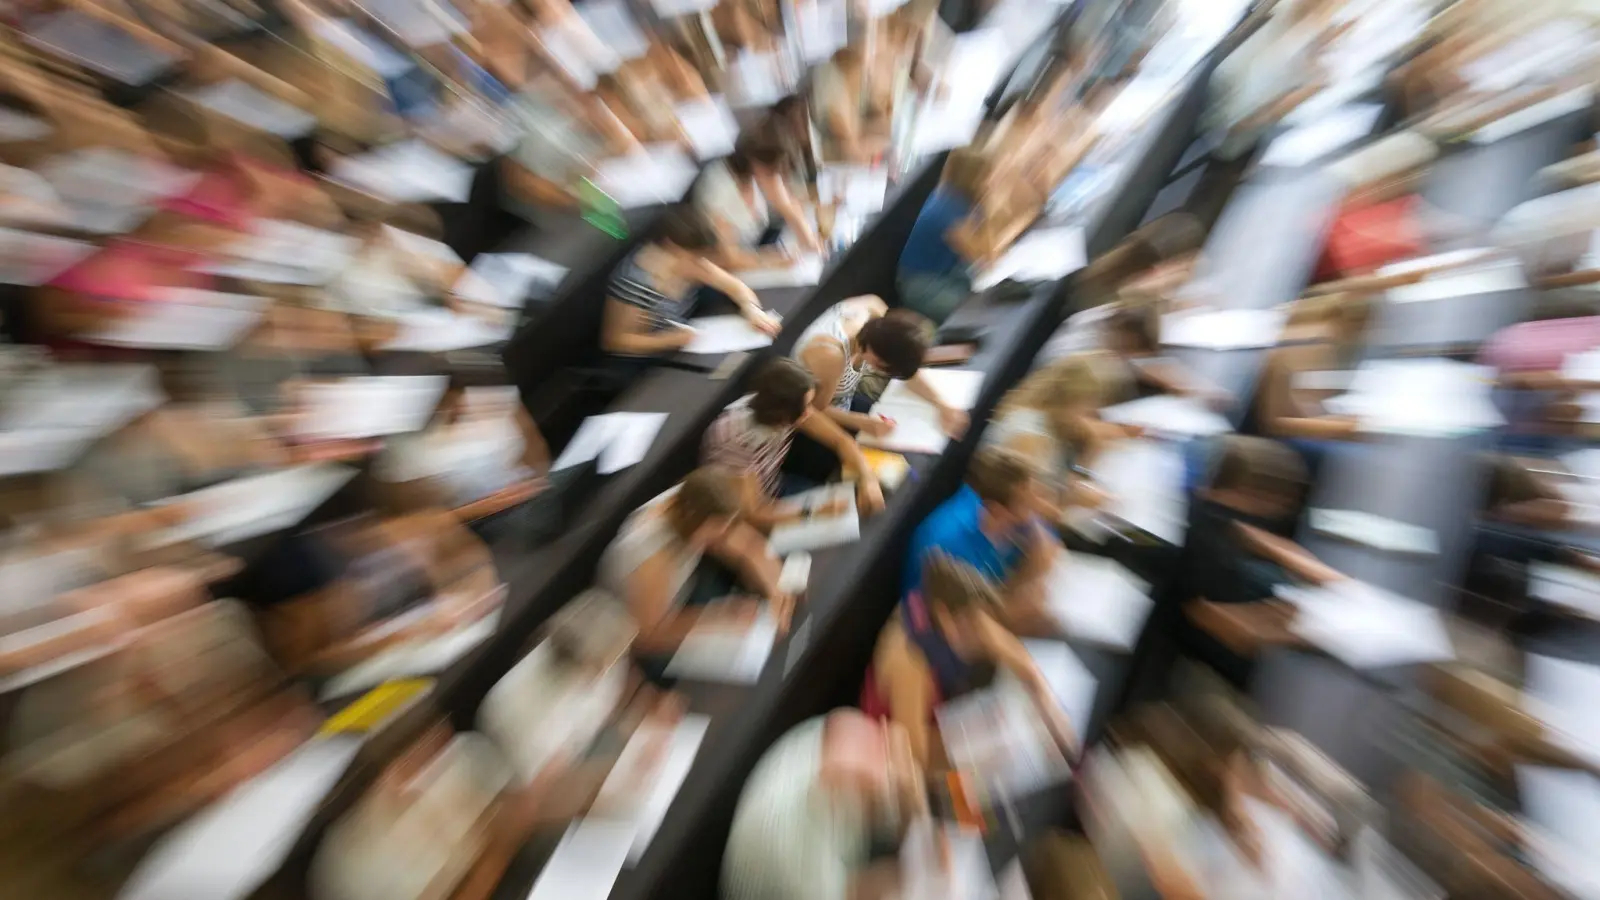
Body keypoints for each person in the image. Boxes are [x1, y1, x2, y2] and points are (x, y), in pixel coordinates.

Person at [860, 552, 1078, 768]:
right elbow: (915, 754)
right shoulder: (909, 661)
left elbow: (1021, 660)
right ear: (944, 615)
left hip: (944, 716)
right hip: (891, 744)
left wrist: (1051, 711)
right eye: (971, 624)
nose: (981, 631)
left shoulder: (962, 612)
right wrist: (987, 747)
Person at [1182, 436, 1343, 686]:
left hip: (1249, 593)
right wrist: (1304, 629)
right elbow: (1230, 629)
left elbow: (1265, 543)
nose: (1284, 506)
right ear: (1246, 494)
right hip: (1221, 640)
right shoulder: (1196, 548)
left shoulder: (1216, 507)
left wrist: (1332, 579)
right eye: (1276, 499)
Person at [722, 709, 929, 900]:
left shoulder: (839, 751)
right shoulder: (790, 838)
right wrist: (920, 871)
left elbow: (897, 816)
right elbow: (853, 893)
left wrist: (909, 802)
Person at [596, 466, 794, 659]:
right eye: (714, 536)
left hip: (679, 598)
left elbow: (749, 546)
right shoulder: (649, 555)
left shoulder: (697, 502)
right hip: (634, 638)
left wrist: (777, 590)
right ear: (693, 520)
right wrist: (720, 616)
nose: (723, 539)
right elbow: (648, 637)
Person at [701, 357, 886, 526]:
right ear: (783, 414)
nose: (809, 413)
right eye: (805, 407)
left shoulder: (785, 407)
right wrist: (814, 512)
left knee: (862, 505)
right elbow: (753, 513)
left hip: (776, 484)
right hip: (752, 509)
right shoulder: (736, 439)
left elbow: (841, 441)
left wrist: (868, 479)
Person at [904, 446, 1062, 630]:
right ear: (997, 511)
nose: (1036, 507)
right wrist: (1012, 604)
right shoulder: (946, 549)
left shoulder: (1008, 506)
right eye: (1027, 504)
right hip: (938, 627)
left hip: (987, 606)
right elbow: (961, 627)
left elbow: (1050, 551)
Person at [601, 207, 779, 364]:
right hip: (647, 361)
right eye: (694, 256)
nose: (701, 262)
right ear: (672, 247)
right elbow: (616, 340)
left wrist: (752, 310)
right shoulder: (637, 280)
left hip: (683, 345)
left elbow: (735, 287)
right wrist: (669, 340)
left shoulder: (692, 262)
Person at [792, 295, 966, 435]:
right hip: (807, 418)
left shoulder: (875, 311)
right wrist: (862, 422)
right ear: (875, 354)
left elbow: (905, 370)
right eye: (883, 367)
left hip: (845, 400)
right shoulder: (830, 355)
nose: (883, 372)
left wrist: (942, 405)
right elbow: (814, 409)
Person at [983, 353, 1125, 522]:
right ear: (1068, 402)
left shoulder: (1042, 413)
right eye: (1087, 408)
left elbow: (1053, 481)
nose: (1090, 416)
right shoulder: (1030, 438)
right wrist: (1074, 502)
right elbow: (1028, 513)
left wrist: (1092, 449)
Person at [1247, 292, 1373, 478]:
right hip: (1276, 446)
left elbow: (1293, 411)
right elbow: (1277, 425)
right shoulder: (1275, 355)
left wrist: (1337, 422)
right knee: (1368, 461)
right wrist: (1347, 428)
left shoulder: (1288, 351)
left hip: (1294, 428)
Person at [692, 136, 821, 269]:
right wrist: (772, 260)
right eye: (771, 171)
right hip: (728, 268)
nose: (776, 177)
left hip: (759, 247)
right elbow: (730, 258)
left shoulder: (759, 174)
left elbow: (790, 203)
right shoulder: (717, 189)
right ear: (754, 161)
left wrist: (809, 241)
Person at [896, 145, 990, 324]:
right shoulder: (949, 211)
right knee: (975, 314)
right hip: (922, 285)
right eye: (987, 176)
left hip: (946, 273)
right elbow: (984, 258)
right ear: (972, 177)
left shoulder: (965, 202)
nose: (991, 182)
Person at [812, 45, 886, 164]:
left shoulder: (846, 94)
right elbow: (845, 136)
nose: (861, 84)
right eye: (859, 75)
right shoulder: (831, 83)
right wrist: (863, 152)